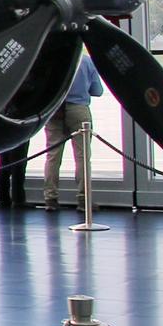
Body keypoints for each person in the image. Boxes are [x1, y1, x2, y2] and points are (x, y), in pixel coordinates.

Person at [44, 54, 104, 211]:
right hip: (79, 110)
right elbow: (97, 90)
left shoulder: (52, 59)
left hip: (54, 110)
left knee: (53, 155)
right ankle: (84, 200)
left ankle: (51, 198)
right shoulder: (86, 61)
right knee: (82, 157)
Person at [0, 138, 29, 209]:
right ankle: (18, 199)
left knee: (3, 163)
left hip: (0, 132)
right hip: (18, 132)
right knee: (18, 163)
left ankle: (3, 199)